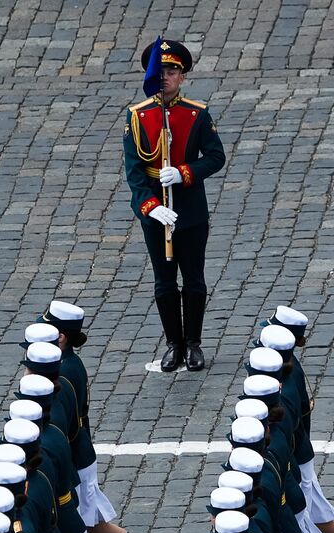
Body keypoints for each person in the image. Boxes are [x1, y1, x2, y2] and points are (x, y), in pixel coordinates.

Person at [125, 38, 227, 372]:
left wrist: (183, 172)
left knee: (194, 279)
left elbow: (215, 157)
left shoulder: (196, 114)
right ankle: (174, 343)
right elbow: (135, 173)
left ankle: (194, 343)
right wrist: (151, 206)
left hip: (190, 209)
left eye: (172, 71)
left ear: (182, 77)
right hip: (158, 213)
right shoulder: (139, 117)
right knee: (164, 280)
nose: (166, 77)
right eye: (161, 71)